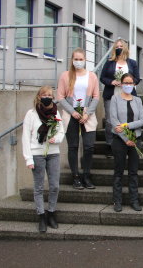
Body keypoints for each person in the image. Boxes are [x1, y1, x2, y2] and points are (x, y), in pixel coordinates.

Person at [22, 86, 65, 233]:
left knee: (54, 186)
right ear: (39, 96)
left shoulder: (56, 112)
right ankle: (41, 216)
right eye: (44, 94)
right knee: (39, 187)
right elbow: (26, 137)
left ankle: (51, 213)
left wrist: (56, 139)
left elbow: (61, 130)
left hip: (53, 152)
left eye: (50, 95)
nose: (47, 97)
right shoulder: (31, 114)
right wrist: (28, 158)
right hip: (37, 153)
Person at [57, 48, 99, 190]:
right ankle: (75, 177)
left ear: (85, 60)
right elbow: (60, 97)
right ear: (72, 60)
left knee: (89, 147)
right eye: (76, 59)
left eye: (81, 59)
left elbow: (96, 97)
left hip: (88, 115)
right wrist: (73, 111)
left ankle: (86, 175)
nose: (78, 62)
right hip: (71, 115)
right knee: (73, 147)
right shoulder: (65, 75)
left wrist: (87, 113)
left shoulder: (92, 76)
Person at [110, 73, 143, 212]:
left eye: (131, 83)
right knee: (118, 171)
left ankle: (134, 200)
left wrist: (126, 126)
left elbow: (142, 121)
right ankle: (117, 201)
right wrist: (126, 139)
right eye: (126, 82)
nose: (128, 85)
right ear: (121, 83)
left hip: (136, 140)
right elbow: (114, 121)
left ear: (134, 85)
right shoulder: (115, 99)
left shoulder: (137, 100)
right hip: (119, 141)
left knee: (133, 172)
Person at [100, 38, 140, 148]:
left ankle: (129, 141)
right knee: (109, 121)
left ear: (125, 48)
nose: (119, 49)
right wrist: (112, 81)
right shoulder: (109, 62)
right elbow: (102, 78)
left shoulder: (132, 63)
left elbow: (137, 78)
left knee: (129, 119)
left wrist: (127, 83)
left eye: (121, 46)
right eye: (116, 47)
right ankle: (110, 144)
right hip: (111, 94)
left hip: (128, 95)